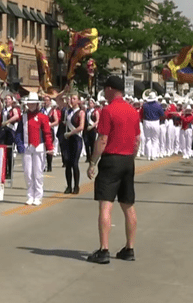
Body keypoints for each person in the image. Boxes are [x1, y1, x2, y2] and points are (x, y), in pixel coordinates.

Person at [86, 76, 141, 264]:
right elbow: (137, 140)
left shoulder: (108, 110)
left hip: (111, 159)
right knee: (128, 205)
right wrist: (131, 158)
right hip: (127, 159)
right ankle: (130, 248)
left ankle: (104, 249)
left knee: (105, 204)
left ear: (110, 89)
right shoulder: (133, 111)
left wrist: (93, 162)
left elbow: (102, 139)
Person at [19, 92, 53, 205]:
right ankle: (30, 195)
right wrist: (19, 145)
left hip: (39, 147)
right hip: (27, 147)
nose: (31, 106)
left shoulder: (43, 117)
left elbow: (47, 133)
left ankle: (38, 196)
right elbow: (18, 133)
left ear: (37, 105)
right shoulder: (23, 117)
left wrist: (50, 147)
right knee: (28, 173)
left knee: (37, 173)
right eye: (30, 104)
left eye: (33, 104)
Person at [60, 94, 84, 194]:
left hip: (76, 139)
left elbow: (81, 127)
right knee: (68, 163)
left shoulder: (81, 112)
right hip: (68, 140)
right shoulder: (67, 111)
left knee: (74, 163)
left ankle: (76, 186)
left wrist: (71, 133)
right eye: (71, 98)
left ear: (78, 101)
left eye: (74, 98)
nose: (71, 100)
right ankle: (69, 186)